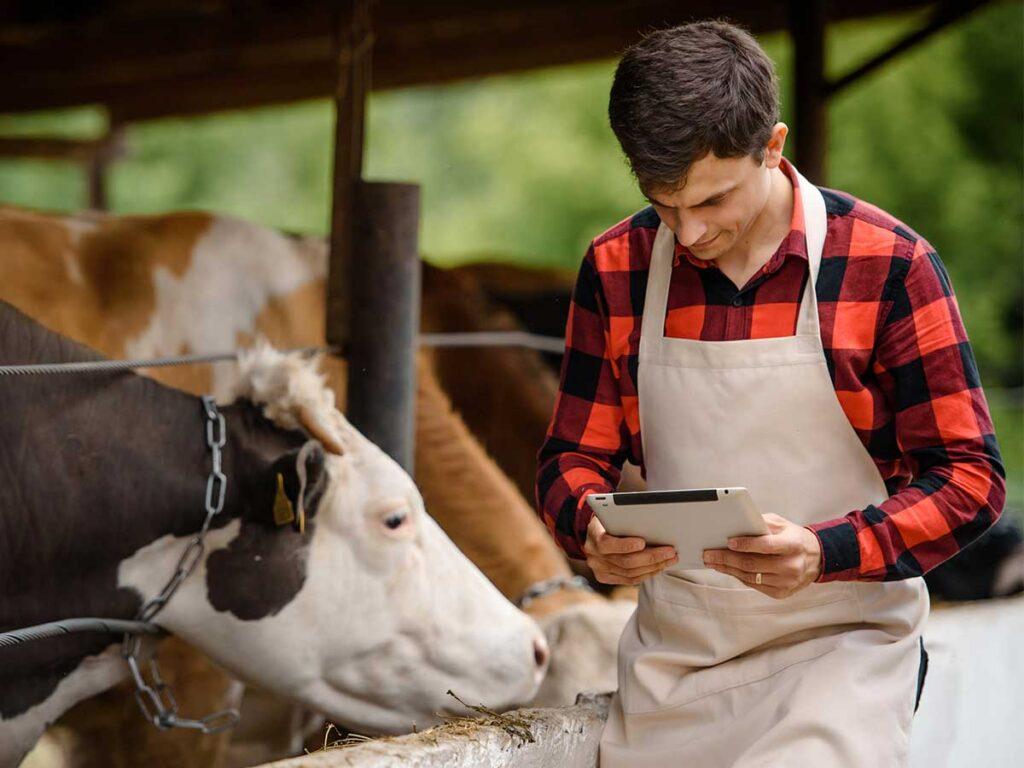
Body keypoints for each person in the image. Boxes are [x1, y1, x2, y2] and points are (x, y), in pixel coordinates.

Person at [535, 19, 1006, 767]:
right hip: (674, 666)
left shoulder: (888, 266)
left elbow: (971, 479)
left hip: (843, 648)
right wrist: (589, 528)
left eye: (713, 201)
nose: (687, 234)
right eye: (664, 204)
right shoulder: (616, 267)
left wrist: (826, 550)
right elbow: (570, 457)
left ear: (773, 147)